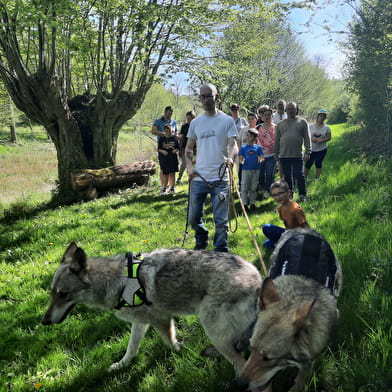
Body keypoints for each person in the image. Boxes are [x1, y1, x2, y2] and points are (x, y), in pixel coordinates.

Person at [185, 83, 238, 252]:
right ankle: (201, 238)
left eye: (209, 95)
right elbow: (187, 149)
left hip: (221, 177)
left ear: (217, 96)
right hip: (200, 177)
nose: (206, 99)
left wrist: (230, 158)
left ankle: (221, 250)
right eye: (203, 96)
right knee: (193, 218)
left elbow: (234, 145)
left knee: (221, 220)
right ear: (199, 99)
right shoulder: (196, 123)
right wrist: (188, 166)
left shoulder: (227, 121)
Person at [274, 102, 311, 202]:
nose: (291, 111)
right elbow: (277, 139)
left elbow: (307, 138)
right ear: (286, 110)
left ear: (297, 110)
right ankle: (290, 195)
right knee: (287, 177)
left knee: (299, 175)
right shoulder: (280, 124)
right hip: (284, 155)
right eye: (289, 109)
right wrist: (275, 152)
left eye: (293, 109)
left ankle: (303, 195)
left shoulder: (302, 122)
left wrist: (308, 151)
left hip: (298, 155)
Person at [262, 180, 310, 248]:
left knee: (266, 227)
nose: (277, 197)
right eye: (274, 195)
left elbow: (306, 227)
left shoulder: (295, 209)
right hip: (288, 234)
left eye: (280, 193)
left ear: (288, 192)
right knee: (266, 243)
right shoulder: (280, 208)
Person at [152, 106, 178, 190]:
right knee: (163, 168)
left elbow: (176, 133)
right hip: (162, 147)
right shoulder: (158, 121)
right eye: (168, 113)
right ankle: (163, 186)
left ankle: (171, 187)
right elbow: (153, 131)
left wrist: (175, 138)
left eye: (171, 113)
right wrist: (164, 134)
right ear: (165, 112)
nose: (170, 115)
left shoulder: (174, 122)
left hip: (172, 148)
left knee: (172, 170)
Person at [238, 128, 264, 212]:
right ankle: (244, 205)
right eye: (246, 135)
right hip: (246, 170)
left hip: (256, 170)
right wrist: (242, 161)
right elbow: (240, 158)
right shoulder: (243, 148)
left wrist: (260, 160)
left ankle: (252, 203)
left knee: (253, 187)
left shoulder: (258, 147)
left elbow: (261, 157)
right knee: (244, 186)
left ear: (254, 137)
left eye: (249, 136)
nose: (247, 137)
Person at [304, 109, 331, 179]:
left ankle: (316, 178)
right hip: (311, 149)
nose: (321, 118)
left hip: (322, 149)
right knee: (308, 164)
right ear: (317, 116)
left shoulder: (327, 128)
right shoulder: (310, 126)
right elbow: (306, 136)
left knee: (318, 163)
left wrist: (321, 140)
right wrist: (311, 139)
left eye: (323, 116)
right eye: (320, 116)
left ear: (325, 118)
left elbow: (329, 138)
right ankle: (304, 178)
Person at [257, 108, 276, 199]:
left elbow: (276, 141)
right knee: (260, 173)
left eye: (269, 115)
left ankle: (267, 190)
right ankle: (261, 187)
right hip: (260, 155)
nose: (267, 116)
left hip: (271, 155)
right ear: (262, 117)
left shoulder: (275, 128)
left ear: (272, 116)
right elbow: (256, 141)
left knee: (269, 174)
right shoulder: (258, 127)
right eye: (265, 115)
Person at [157, 124, 179, 195]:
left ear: (172, 131)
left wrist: (175, 150)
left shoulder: (174, 138)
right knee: (165, 173)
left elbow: (178, 148)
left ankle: (172, 187)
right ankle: (164, 188)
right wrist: (163, 151)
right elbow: (158, 149)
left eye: (169, 131)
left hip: (172, 158)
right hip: (164, 158)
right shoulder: (161, 139)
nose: (168, 133)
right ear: (164, 131)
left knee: (172, 173)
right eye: (166, 131)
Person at [238, 112, 258, 187]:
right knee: (242, 170)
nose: (250, 120)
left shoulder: (258, 129)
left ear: (256, 119)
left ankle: (253, 186)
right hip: (244, 153)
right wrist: (240, 151)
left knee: (253, 171)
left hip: (254, 154)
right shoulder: (243, 129)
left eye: (252, 119)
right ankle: (241, 185)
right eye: (249, 119)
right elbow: (239, 140)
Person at [177, 110, 196, 183]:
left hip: (195, 148)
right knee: (184, 163)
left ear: (193, 117)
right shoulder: (184, 126)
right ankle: (179, 177)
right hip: (185, 147)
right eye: (187, 118)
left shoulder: (196, 125)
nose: (188, 119)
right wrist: (179, 148)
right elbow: (181, 138)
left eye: (189, 118)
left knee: (193, 163)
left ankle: (191, 178)